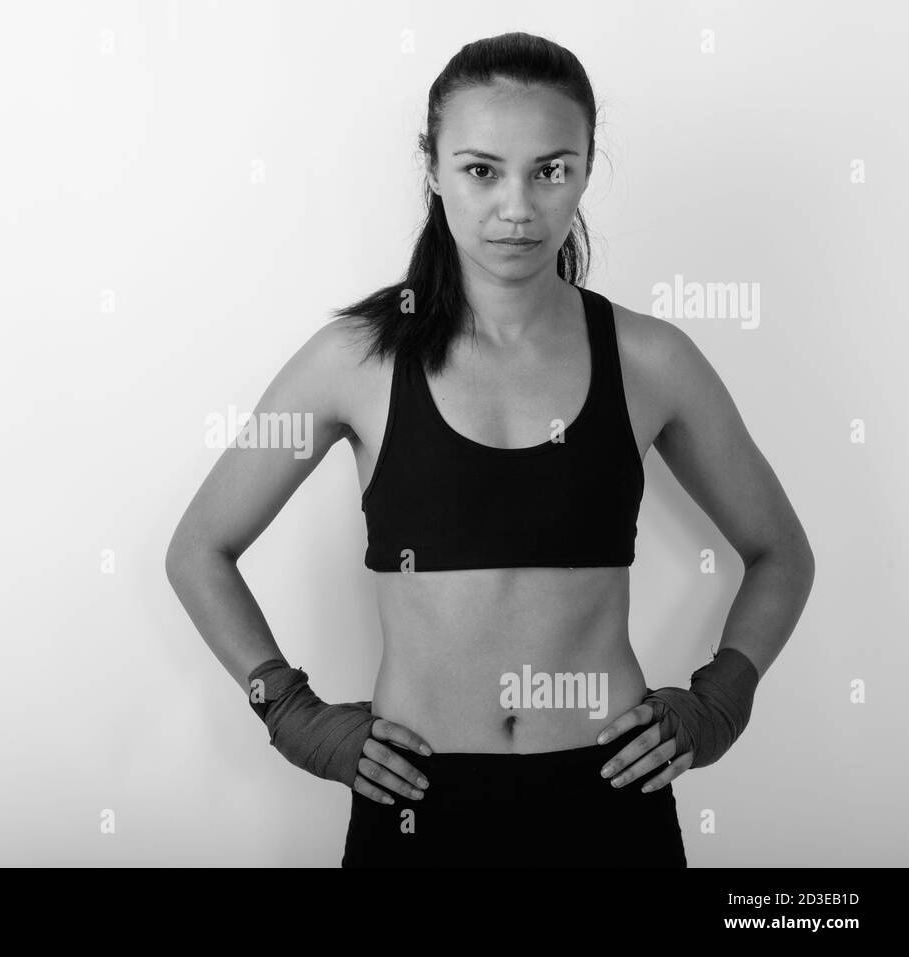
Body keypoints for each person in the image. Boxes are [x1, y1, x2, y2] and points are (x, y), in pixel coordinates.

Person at [164, 31, 815, 867]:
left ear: (584, 169)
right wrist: (288, 710)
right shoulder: (356, 360)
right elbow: (199, 550)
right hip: (416, 798)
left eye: (552, 169)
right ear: (431, 168)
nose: (518, 206)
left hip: (610, 794)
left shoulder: (653, 359)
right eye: (481, 169)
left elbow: (781, 552)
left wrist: (721, 699)